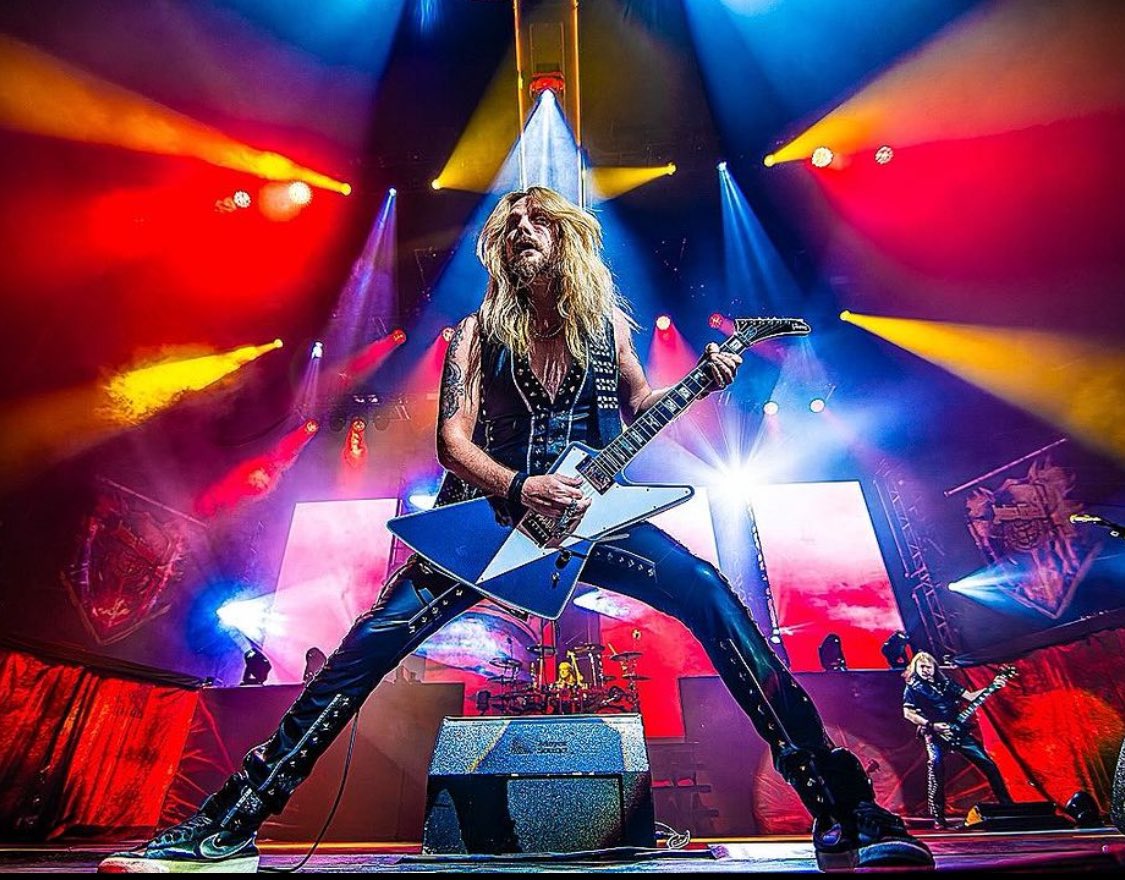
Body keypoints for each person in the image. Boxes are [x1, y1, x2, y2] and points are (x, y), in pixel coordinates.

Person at [101, 186, 933, 872]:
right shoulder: (472, 335)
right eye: (510, 226)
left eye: (537, 222)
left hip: (591, 516)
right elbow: (450, 442)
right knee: (363, 649)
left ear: (567, 239)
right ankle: (230, 820)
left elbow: (637, 407)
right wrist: (520, 483)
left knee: (710, 593)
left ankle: (842, 810)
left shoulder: (606, 331)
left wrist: (705, 385)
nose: (522, 233)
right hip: (483, 521)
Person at [902, 652, 1013, 829]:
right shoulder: (913, 688)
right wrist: (932, 725)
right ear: (915, 668)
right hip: (934, 732)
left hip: (958, 729)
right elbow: (908, 713)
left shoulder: (946, 684)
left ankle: (1008, 806)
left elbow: (970, 697)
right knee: (936, 765)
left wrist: (992, 687)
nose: (925, 670)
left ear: (934, 668)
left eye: (928, 666)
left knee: (988, 764)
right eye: (921, 667)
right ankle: (938, 816)